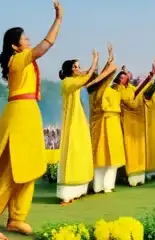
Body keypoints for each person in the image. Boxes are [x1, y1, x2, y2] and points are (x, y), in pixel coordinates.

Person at [0, 1, 63, 238]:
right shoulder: (19, 59)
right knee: (12, 169)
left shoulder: (24, 61)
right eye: (24, 38)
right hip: (19, 113)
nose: (28, 40)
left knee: (30, 167)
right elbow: (45, 47)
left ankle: (17, 218)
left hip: (29, 111)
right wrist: (58, 20)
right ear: (15, 46)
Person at [57, 45, 113, 204]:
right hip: (72, 122)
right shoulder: (67, 82)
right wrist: (95, 60)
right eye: (75, 66)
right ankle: (66, 194)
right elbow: (88, 75)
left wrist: (106, 61)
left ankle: (77, 190)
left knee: (81, 151)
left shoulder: (74, 81)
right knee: (73, 152)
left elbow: (90, 73)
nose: (78, 68)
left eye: (78, 66)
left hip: (79, 120)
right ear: (69, 70)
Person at [118, 61, 155, 187]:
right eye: (122, 76)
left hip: (138, 123)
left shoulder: (131, 88)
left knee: (139, 151)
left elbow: (139, 91)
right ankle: (129, 177)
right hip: (127, 123)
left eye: (125, 76)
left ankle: (139, 176)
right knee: (129, 151)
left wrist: (150, 77)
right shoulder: (119, 90)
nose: (124, 77)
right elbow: (131, 98)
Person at [87, 55, 123, 194]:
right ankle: (102, 186)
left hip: (109, 124)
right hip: (104, 124)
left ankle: (103, 186)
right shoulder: (98, 91)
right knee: (104, 158)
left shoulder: (101, 91)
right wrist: (110, 66)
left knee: (106, 158)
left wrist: (108, 63)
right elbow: (106, 77)